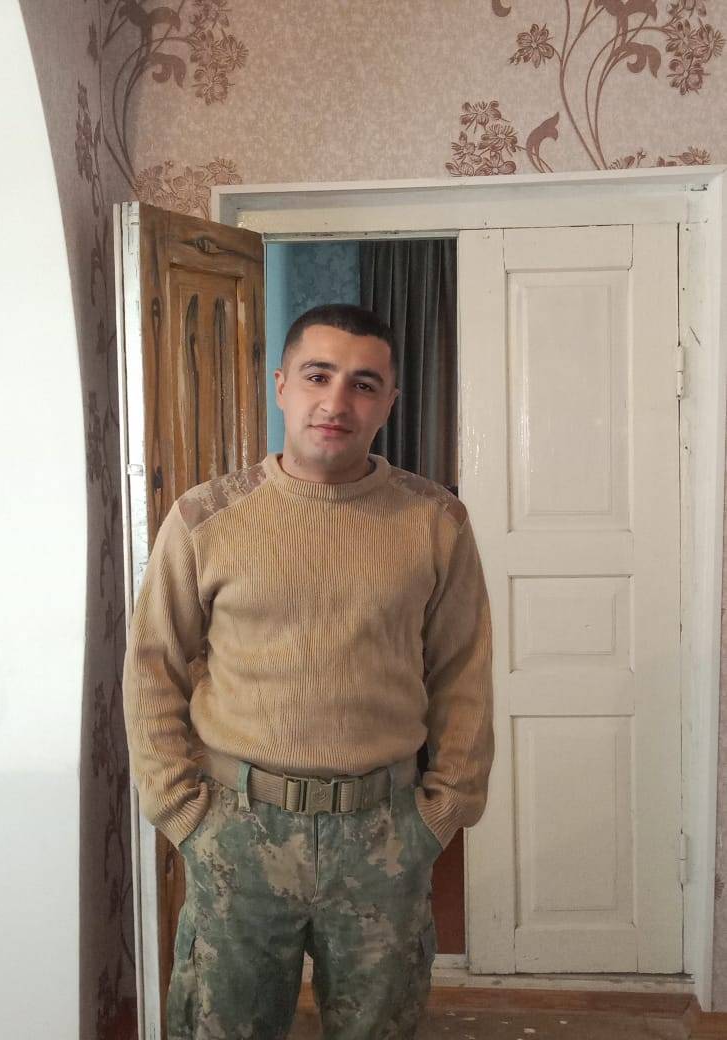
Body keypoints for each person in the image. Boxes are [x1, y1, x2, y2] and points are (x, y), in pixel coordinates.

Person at [122, 303, 494, 1040]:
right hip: (237, 831)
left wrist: (442, 811)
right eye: (318, 376)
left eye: (364, 384)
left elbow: (464, 677)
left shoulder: (435, 521)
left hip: (385, 833)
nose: (337, 401)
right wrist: (181, 810)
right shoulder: (205, 518)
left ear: (389, 401)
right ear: (282, 385)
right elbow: (152, 666)